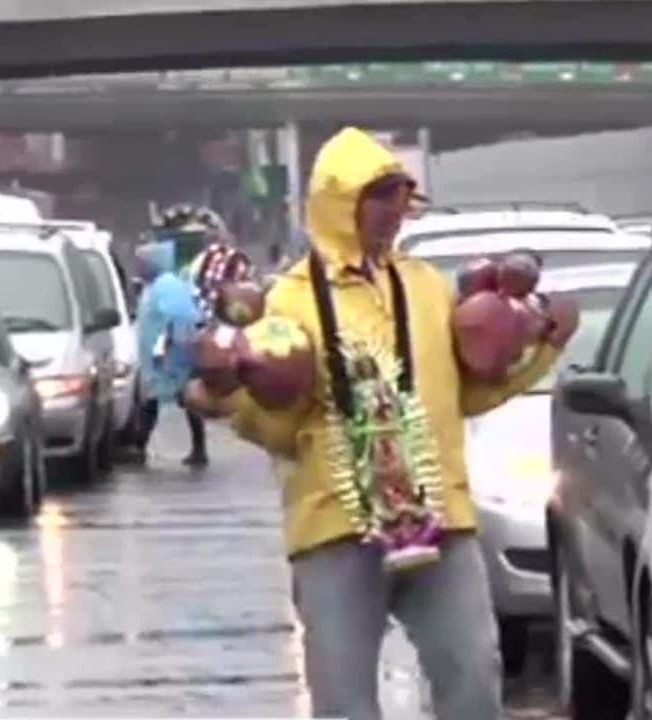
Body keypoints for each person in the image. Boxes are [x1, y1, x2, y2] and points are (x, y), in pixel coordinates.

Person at [183, 127, 577, 720]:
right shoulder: (288, 301)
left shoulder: (425, 287)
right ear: (340, 202)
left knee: (474, 682)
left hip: (440, 523)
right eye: (380, 195)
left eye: (401, 195)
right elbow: (280, 430)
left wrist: (542, 349)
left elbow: (467, 395)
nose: (395, 210)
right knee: (345, 704)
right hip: (335, 530)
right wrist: (232, 396)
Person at [132, 204, 248, 467]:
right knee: (165, 401)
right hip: (165, 356)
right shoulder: (160, 284)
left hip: (171, 356)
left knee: (171, 400)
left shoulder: (167, 285)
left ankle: (149, 446)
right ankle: (152, 446)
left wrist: (173, 345)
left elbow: (182, 317)